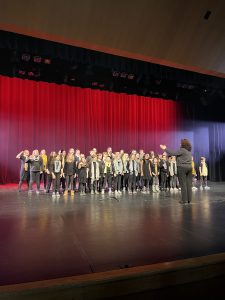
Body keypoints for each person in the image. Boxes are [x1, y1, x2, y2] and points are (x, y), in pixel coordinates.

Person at [160, 139, 192, 204]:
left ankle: (184, 200)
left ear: (183, 144)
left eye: (181, 143)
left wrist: (165, 148)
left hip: (182, 168)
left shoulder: (182, 150)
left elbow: (173, 153)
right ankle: (189, 199)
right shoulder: (188, 151)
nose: (180, 144)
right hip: (189, 168)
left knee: (183, 184)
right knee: (188, 184)